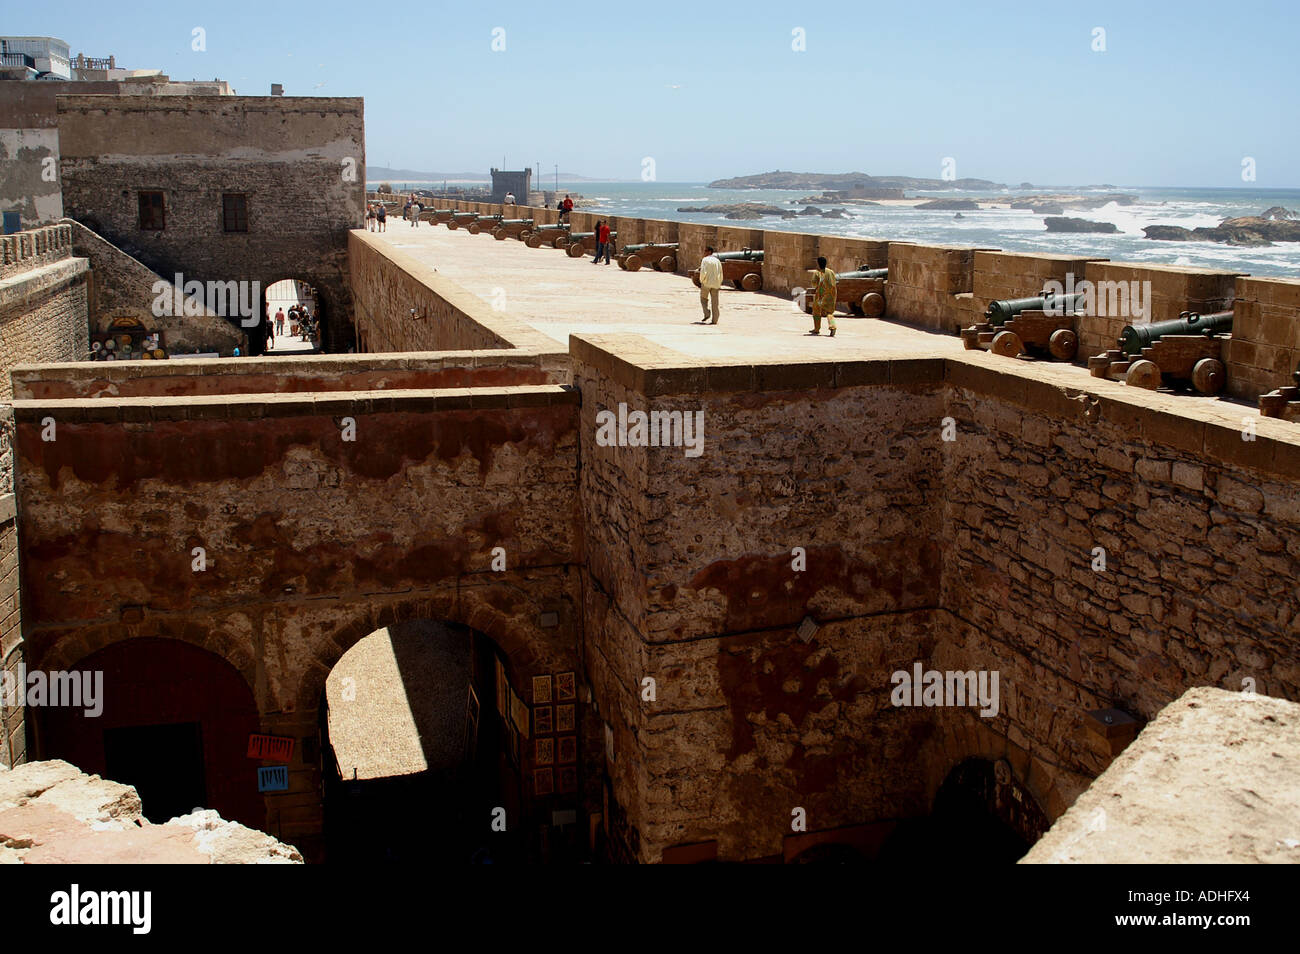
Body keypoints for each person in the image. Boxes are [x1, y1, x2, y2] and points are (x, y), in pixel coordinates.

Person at [808, 256, 838, 337]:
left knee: (816, 311)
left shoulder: (817, 273)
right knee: (829, 313)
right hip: (831, 295)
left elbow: (814, 284)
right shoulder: (831, 272)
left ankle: (817, 329)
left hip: (821, 295)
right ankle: (832, 327)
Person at [697, 246, 723, 325]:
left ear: (709, 252)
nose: (704, 253)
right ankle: (715, 319)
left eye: (705, 251)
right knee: (715, 302)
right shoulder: (717, 261)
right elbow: (720, 272)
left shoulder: (705, 260)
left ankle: (707, 313)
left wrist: (702, 281)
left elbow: (703, 272)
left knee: (703, 299)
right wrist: (719, 282)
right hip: (716, 283)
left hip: (707, 283)